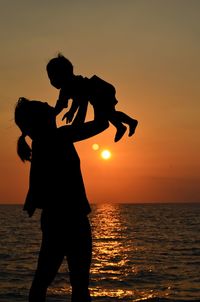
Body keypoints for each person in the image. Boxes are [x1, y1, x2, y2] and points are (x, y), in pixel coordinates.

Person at [14, 97, 109, 302]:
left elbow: (77, 126)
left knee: (42, 281)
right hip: (71, 220)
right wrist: (96, 97)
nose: (51, 106)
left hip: (56, 219)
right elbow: (101, 124)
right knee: (78, 285)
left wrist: (83, 102)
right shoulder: (57, 137)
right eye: (46, 108)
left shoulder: (43, 141)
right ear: (42, 120)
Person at [46, 54, 138, 142]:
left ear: (63, 75)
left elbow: (81, 102)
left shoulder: (74, 83)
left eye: (52, 77)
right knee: (108, 114)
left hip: (102, 90)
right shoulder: (65, 90)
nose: (51, 81)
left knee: (106, 115)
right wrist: (55, 114)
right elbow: (62, 104)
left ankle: (129, 123)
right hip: (97, 94)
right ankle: (122, 126)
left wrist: (75, 122)